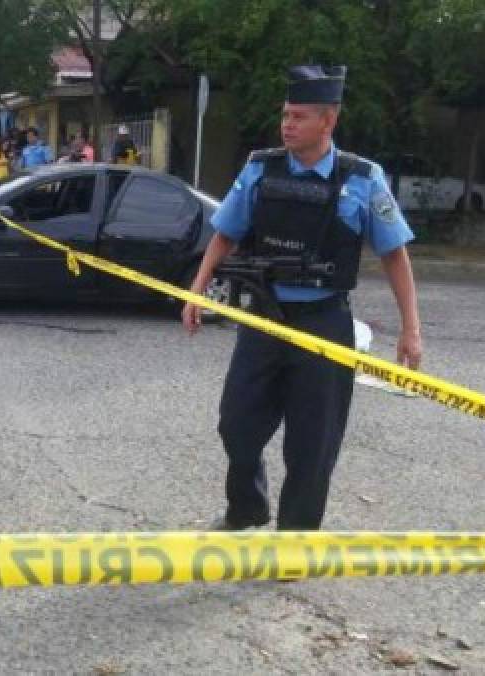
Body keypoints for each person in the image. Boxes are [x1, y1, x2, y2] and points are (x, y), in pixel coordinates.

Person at [182, 65, 422, 531]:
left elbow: (395, 255)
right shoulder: (260, 170)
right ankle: (247, 506)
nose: (286, 124)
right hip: (265, 317)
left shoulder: (363, 179)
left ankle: (295, 541)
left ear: (327, 121)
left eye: (298, 116)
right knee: (236, 424)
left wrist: (411, 329)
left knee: (314, 444)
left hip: (324, 322)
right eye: (285, 115)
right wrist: (196, 290)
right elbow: (225, 235)